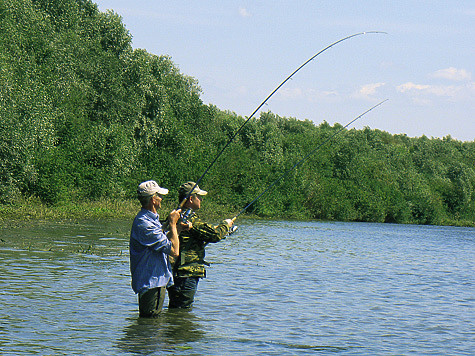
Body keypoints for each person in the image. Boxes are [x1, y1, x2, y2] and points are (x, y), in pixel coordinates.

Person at [167, 181, 234, 309]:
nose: (201, 199)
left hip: (177, 272)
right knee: (182, 312)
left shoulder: (176, 216)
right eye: (199, 197)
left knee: (176, 309)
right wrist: (226, 224)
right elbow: (215, 235)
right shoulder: (190, 219)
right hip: (186, 273)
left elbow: (203, 231)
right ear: (191, 199)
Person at [129, 180, 190, 317]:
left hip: (155, 281)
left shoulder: (151, 220)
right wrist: (173, 224)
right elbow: (174, 251)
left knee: (152, 326)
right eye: (159, 196)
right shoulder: (144, 223)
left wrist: (178, 229)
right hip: (152, 282)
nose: (162, 199)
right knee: (150, 325)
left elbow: (163, 243)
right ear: (153, 200)